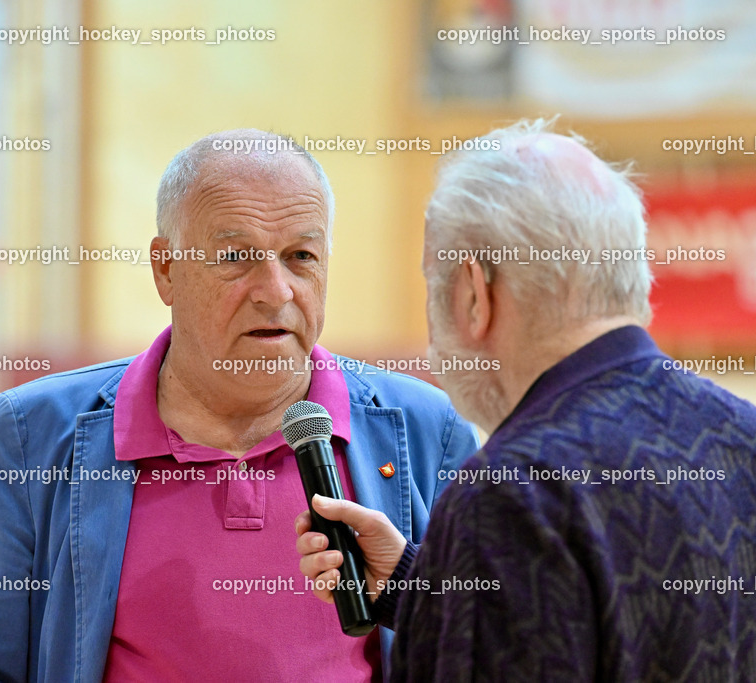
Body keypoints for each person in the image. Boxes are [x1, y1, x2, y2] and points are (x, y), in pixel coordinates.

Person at [0, 129, 479, 681]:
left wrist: (411, 588)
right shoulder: (29, 436)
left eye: (301, 256)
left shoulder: (428, 433)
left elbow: (496, 652)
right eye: (235, 257)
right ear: (165, 269)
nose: (275, 290)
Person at [295, 118, 756, 681]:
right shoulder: (742, 436)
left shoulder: (511, 493)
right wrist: (418, 584)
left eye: (432, 288)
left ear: (472, 295)